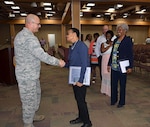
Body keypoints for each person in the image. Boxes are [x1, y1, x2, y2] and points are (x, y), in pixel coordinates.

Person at [14, 14, 65, 127]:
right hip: (27, 77)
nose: (39, 26)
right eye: (38, 24)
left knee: (35, 96)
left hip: (30, 75)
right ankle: (28, 123)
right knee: (29, 100)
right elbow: (41, 55)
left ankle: (32, 116)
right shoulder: (28, 38)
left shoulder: (22, 35)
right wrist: (58, 62)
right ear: (30, 23)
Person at [65, 28, 92, 127]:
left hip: (80, 77)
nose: (66, 36)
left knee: (81, 100)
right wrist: (64, 64)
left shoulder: (81, 46)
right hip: (74, 76)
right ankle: (81, 117)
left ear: (74, 34)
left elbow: (85, 64)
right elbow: (72, 62)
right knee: (78, 98)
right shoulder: (73, 46)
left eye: (68, 34)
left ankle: (87, 122)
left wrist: (81, 80)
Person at [107, 23, 133, 108]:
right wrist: (109, 63)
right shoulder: (115, 40)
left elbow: (130, 54)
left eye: (120, 29)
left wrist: (130, 66)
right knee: (113, 84)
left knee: (122, 85)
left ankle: (121, 102)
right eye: (118, 29)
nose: (118, 31)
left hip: (122, 66)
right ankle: (113, 99)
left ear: (125, 31)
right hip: (114, 66)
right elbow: (112, 53)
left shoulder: (128, 40)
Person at [100, 30, 114, 96]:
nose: (108, 37)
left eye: (109, 36)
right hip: (104, 59)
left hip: (111, 59)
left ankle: (110, 90)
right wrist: (109, 46)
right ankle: (104, 90)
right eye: (107, 36)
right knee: (104, 74)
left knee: (110, 75)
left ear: (111, 36)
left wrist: (112, 45)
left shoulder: (114, 43)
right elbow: (102, 50)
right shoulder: (103, 43)